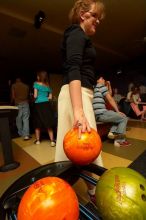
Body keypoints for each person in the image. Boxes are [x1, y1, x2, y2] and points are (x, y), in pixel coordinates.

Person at [55, 0, 105, 204]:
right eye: (95, 15)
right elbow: (73, 68)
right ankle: (63, 195)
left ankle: (90, 191)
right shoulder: (75, 32)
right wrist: (78, 110)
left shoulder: (81, 36)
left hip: (81, 95)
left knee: (84, 147)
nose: (98, 20)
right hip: (75, 96)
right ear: (83, 14)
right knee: (85, 146)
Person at [93, 76, 131, 147]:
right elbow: (110, 99)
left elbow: (109, 94)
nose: (104, 80)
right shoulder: (101, 86)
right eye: (102, 79)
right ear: (98, 80)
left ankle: (113, 132)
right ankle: (119, 141)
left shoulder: (95, 88)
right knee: (124, 118)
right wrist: (118, 111)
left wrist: (108, 85)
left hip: (98, 114)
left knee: (117, 118)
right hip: (102, 113)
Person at [33, 70, 56, 147]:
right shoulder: (47, 85)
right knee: (48, 122)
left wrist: (36, 98)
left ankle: (38, 140)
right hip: (46, 104)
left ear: (39, 76)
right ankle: (52, 141)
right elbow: (50, 97)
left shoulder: (36, 84)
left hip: (38, 104)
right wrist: (45, 98)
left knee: (37, 122)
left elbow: (35, 96)